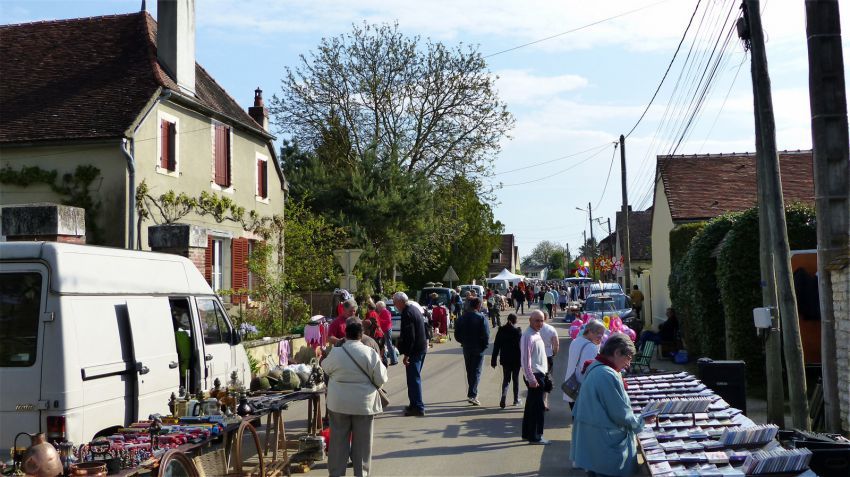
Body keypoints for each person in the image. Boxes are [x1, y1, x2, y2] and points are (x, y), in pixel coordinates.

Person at [571, 333, 655, 477]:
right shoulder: (607, 374)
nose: (628, 364)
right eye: (628, 358)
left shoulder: (596, 367)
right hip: (604, 445)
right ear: (616, 353)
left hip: (592, 441)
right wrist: (642, 421)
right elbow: (621, 414)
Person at [322, 320, 388, 477]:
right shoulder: (369, 353)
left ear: (345, 335)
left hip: (338, 403)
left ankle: (337, 474)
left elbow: (325, 368)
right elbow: (381, 378)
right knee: (363, 445)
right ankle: (361, 474)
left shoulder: (336, 353)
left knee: (338, 443)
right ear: (361, 335)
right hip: (364, 404)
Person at [393, 292, 428, 417]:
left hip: (415, 350)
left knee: (413, 379)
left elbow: (410, 336)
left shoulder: (407, 313)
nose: (394, 305)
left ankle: (418, 407)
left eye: (395, 302)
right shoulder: (413, 308)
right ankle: (414, 404)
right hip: (421, 347)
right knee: (413, 378)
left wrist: (406, 354)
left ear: (400, 302)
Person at [454, 296, 490, 406]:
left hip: (467, 347)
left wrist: (463, 341)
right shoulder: (481, 318)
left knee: (470, 371)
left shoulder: (462, 317)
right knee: (476, 371)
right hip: (478, 348)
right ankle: (472, 395)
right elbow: (486, 334)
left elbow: (456, 334)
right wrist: (484, 346)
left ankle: (472, 392)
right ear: (479, 306)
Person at [520, 310, 550, 445]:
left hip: (539, 374)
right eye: (537, 320)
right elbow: (525, 360)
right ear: (530, 321)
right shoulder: (528, 336)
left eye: (542, 320)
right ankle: (536, 436)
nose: (540, 323)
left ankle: (528, 434)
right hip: (535, 376)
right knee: (538, 408)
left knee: (531, 407)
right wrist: (531, 379)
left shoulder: (536, 334)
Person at [563, 319, 605, 411]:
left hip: (571, 387)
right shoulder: (591, 347)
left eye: (602, 334)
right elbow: (590, 370)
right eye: (598, 333)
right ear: (589, 331)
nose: (601, 336)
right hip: (582, 390)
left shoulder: (576, 340)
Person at [491, 313, 522, 408]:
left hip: (505, 359)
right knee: (515, 379)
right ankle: (516, 400)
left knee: (506, 379)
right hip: (516, 359)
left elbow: (496, 346)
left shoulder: (501, 330)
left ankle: (503, 396)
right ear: (515, 321)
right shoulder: (518, 331)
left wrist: (494, 360)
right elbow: (522, 347)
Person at [538, 311, 559, 411]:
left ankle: (537, 400)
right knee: (547, 378)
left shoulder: (535, 329)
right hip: (548, 355)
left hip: (537, 355)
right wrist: (554, 352)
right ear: (546, 317)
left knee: (537, 377)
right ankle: (544, 401)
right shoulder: (551, 329)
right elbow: (556, 344)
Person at [375, 301, 397, 365]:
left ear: (381, 306)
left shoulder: (385, 311)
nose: (377, 308)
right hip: (385, 329)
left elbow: (388, 320)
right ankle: (386, 360)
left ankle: (394, 360)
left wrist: (378, 320)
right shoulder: (383, 311)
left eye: (378, 306)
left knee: (388, 345)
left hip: (386, 329)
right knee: (384, 345)